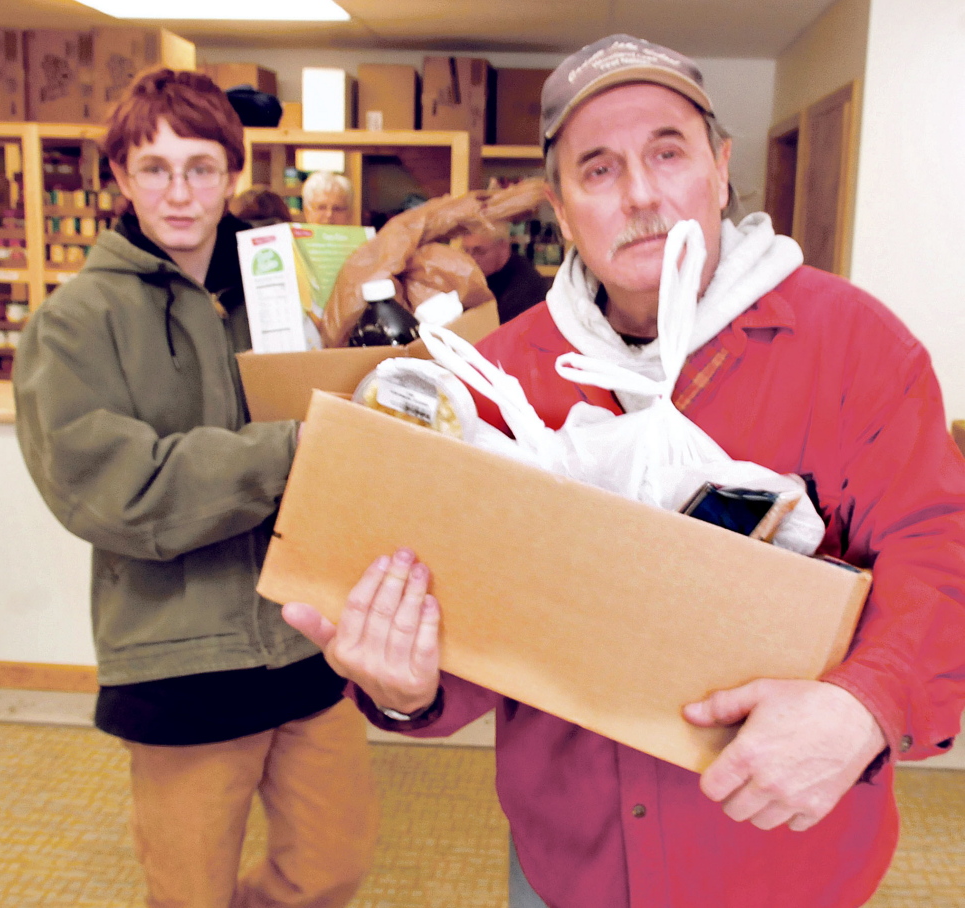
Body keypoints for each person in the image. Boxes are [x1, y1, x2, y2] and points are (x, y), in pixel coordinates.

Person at [281, 33, 965, 908]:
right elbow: (464, 635)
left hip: (780, 865)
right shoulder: (499, 379)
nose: (640, 195)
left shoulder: (854, 347)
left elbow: (938, 550)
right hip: (570, 869)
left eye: (667, 153)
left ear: (719, 168)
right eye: (597, 170)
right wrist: (406, 687)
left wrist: (865, 705)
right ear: (561, 211)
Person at [12, 68, 378, 908]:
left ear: (232, 175)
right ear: (119, 177)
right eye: (154, 168)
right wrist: (288, 449)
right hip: (177, 657)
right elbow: (117, 492)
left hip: (301, 641)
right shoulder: (72, 324)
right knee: (188, 893)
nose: (180, 193)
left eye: (202, 167)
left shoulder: (281, 299)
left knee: (333, 865)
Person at [460, 220, 551, 324]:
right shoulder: (480, 277)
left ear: (503, 247)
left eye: (479, 251)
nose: (471, 259)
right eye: (466, 251)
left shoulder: (524, 288)